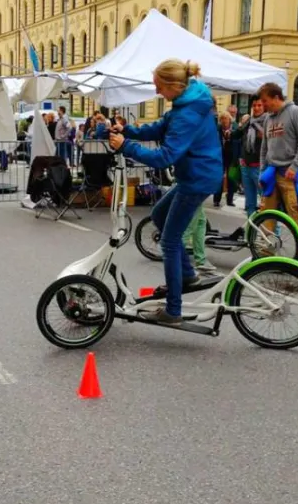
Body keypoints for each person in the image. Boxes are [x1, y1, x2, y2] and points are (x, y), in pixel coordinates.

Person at [109, 59, 223, 324]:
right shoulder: (186, 103)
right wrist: (127, 130)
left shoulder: (188, 113)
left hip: (197, 179)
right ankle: (187, 274)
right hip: (195, 175)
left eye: (160, 87)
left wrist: (126, 146)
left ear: (173, 85)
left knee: (169, 240)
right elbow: (160, 127)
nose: (158, 92)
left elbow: (165, 156)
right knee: (159, 216)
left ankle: (173, 309)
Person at [258, 83, 298, 262]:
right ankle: (268, 247)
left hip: (290, 173)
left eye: (266, 101)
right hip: (272, 171)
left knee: (296, 211)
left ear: (277, 97)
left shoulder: (296, 113)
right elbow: (265, 147)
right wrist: (263, 169)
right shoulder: (269, 118)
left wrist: (295, 166)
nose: (264, 105)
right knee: (267, 211)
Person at [234, 98, 266, 217]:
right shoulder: (249, 121)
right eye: (254, 105)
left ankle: (273, 233)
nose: (256, 108)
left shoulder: (267, 121)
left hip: (259, 167)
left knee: (267, 202)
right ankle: (250, 231)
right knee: (250, 203)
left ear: (264, 107)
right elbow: (237, 134)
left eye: (259, 105)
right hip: (245, 166)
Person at [213, 112, 241, 207]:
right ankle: (216, 199)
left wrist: (238, 157)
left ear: (230, 120)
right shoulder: (218, 129)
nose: (224, 121)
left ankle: (230, 200)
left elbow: (239, 143)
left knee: (231, 178)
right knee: (219, 177)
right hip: (220, 156)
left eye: (226, 119)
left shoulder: (235, 128)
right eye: (222, 119)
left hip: (232, 157)